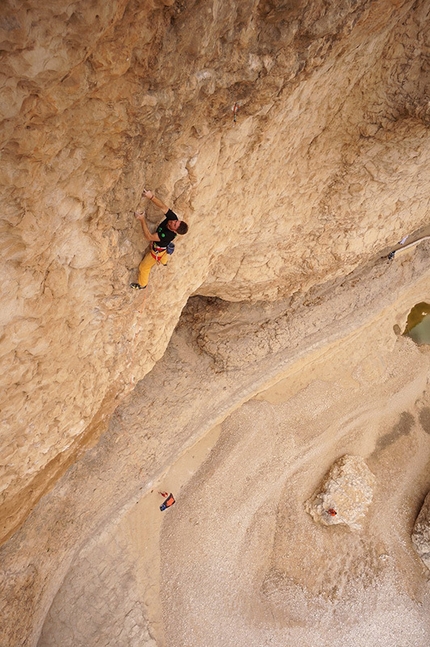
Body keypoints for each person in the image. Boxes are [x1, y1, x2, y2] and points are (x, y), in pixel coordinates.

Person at [130, 189, 189, 290]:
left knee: (144, 267)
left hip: (157, 251)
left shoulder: (168, 235)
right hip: (162, 246)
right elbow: (163, 207)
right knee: (164, 254)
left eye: (174, 224)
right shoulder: (173, 218)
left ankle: (142, 285)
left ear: (175, 231)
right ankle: (164, 261)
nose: (172, 221)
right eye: (176, 221)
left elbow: (149, 237)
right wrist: (151, 196)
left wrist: (142, 220)